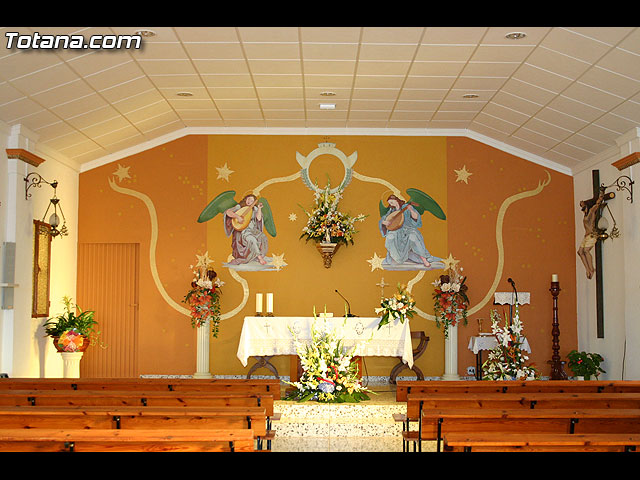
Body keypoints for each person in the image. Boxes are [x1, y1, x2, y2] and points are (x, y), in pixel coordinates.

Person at [379, 194, 440, 269]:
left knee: (413, 237)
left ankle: (424, 259)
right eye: (390, 203)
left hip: (408, 229)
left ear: (396, 200)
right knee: (390, 237)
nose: (391, 204)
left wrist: (411, 210)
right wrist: (384, 222)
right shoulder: (392, 210)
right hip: (396, 230)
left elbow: (416, 217)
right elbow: (383, 219)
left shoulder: (406, 207)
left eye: (392, 202)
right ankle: (395, 258)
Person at [224, 194, 268, 265]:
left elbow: (259, 218)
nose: (249, 201)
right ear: (245, 199)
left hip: (253, 230)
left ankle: (256, 256)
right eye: (248, 199)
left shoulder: (254, 209)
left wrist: (259, 208)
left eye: (251, 201)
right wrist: (237, 217)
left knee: (263, 237)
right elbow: (228, 212)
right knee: (252, 239)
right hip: (243, 231)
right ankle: (260, 258)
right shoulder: (240, 206)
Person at [577, 188, 605, 279]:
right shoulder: (585, 215)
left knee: (586, 250)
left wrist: (601, 196)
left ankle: (591, 268)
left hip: (592, 234)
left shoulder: (591, 212)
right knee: (580, 252)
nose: (583, 210)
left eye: (584, 208)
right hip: (586, 235)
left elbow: (597, 204)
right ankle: (587, 269)